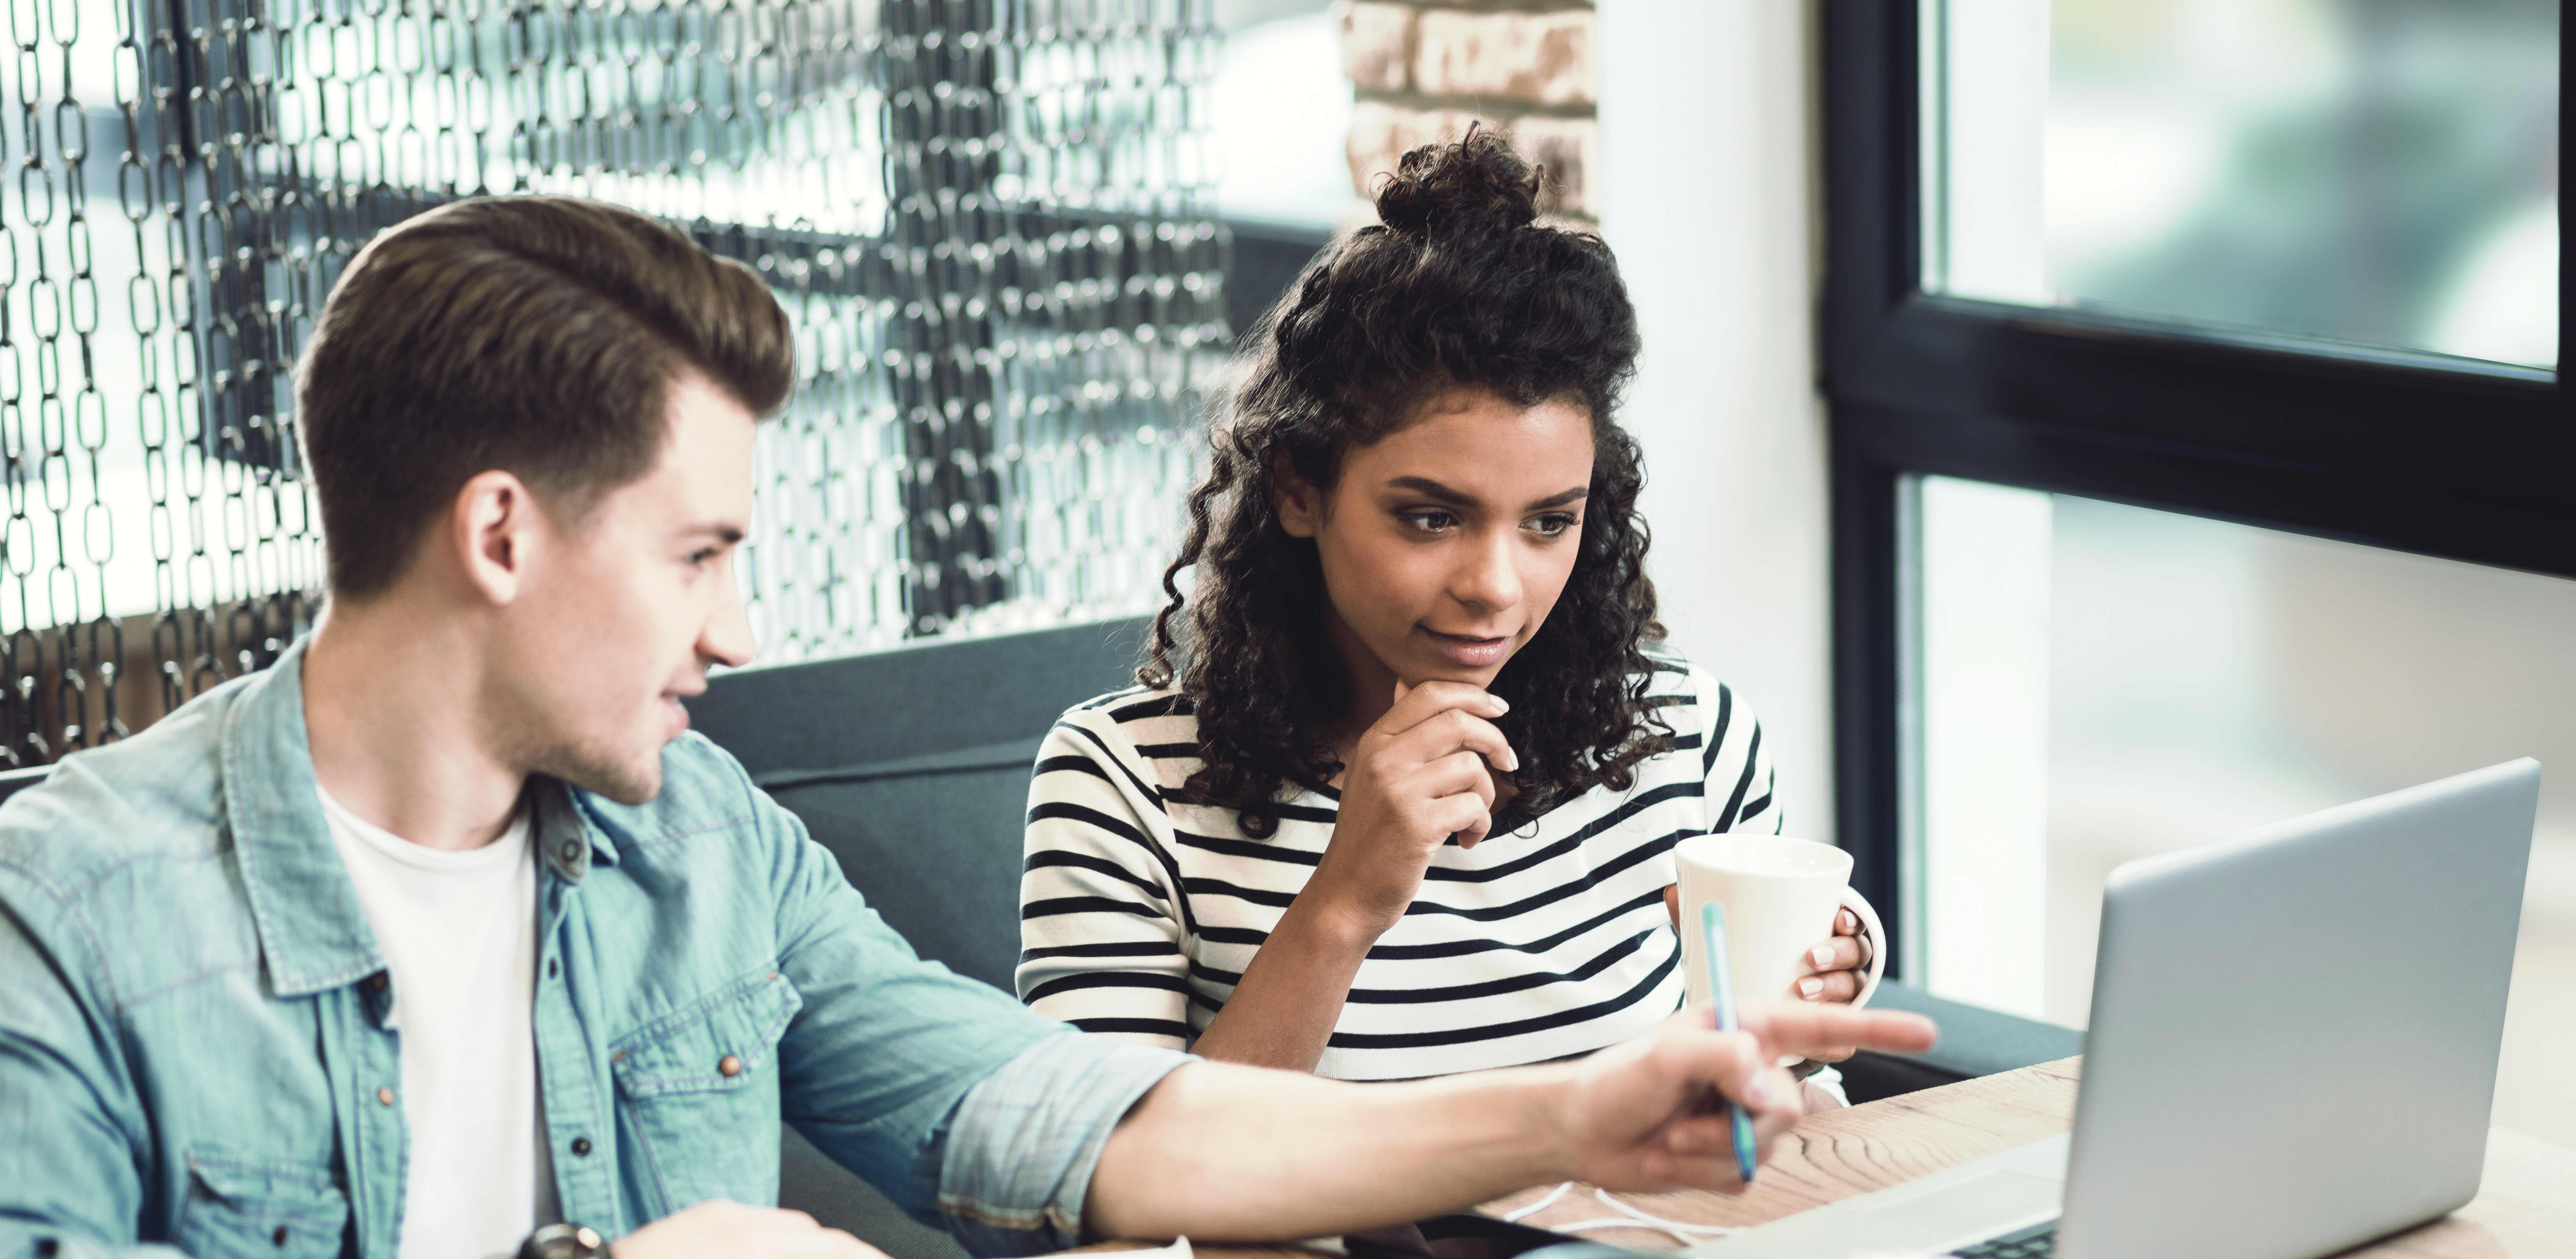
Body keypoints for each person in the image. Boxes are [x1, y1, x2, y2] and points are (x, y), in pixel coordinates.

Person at [0, 195, 1934, 1259]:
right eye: (697, 554)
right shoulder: (69, 916)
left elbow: (1067, 1119)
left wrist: (1584, 1113)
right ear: (500, 532)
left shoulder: (703, 843)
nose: (738, 628)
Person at [1018, 132, 1880, 1097]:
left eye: (1550, 521)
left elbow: (1767, 1104)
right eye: (1431, 517)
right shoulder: (1126, 784)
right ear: (1299, 489)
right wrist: (1346, 899)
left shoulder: (1684, 738)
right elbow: (1117, 1193)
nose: (1497, 587)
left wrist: (1812, 1001)